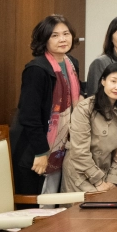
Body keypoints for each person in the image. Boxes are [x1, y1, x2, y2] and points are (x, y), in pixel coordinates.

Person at [12, 15, 82, 195]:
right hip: (34, 149)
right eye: (55, 35)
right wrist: (41, 152)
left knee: (54, 202)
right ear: (44, 39)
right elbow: (29, 115)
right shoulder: (36, 69)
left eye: (66, 34)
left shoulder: (71, 64)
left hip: (61, 146)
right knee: (36, 203)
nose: (62, 39)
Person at [63, 63, 117, 193]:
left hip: (106, 172)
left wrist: (113, 179)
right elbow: (79, 152)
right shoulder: (85, 108)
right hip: (80, 174)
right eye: (113, 81)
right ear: (103, 81)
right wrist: (98, 182)